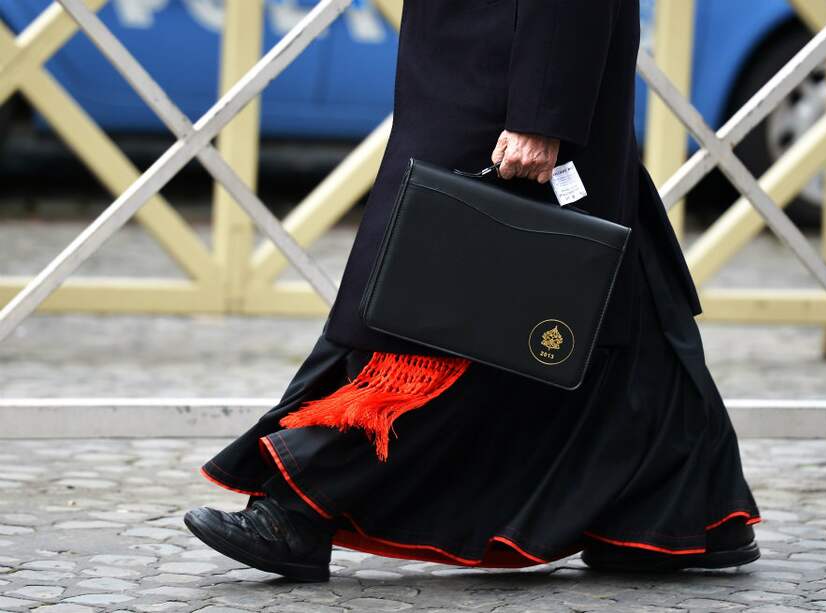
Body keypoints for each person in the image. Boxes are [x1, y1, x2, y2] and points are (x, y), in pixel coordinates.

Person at [184, 0, 761, 581]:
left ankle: (300, 510)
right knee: (587, 293)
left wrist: (543, 110)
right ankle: (676, 510)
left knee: (436, 301)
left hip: (508, 76)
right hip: (479, 58)